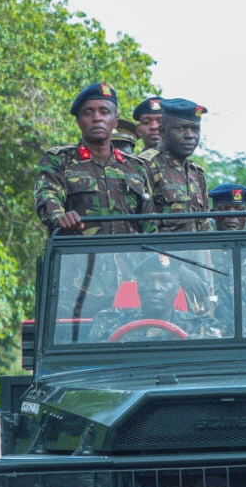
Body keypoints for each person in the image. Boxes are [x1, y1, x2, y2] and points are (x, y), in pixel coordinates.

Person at [33, 82, 154, 235]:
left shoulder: (136, 167)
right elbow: (47, 198)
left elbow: (149, 225)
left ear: (115, 121)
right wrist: (60, 217)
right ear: (78, 121)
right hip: (78, 255)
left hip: (129, 257)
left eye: (104, 112)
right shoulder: (58, 160)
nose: (97, 118)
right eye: (88, 112)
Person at [87, 255, 221, 341]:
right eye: (148, 281)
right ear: (138, 288)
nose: (155, 287)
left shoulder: (199, 325)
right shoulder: (109, 321)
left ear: (176, 289)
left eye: (164, 281)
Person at [146, 98, 211, 233]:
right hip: (162, 251)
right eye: (181, 128)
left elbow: (205, 225)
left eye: (195, 129)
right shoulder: (146, 167)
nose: (190, 136)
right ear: (162, 131)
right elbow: (145, 228)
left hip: (196, 252)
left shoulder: (197, 173)